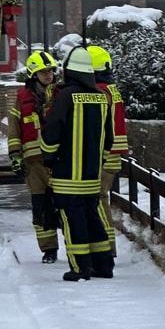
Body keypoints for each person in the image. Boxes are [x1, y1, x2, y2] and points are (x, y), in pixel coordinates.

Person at [39, 44, 114, 281]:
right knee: (93, 217)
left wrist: (48, 157)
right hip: (92, 175)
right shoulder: (102, 98)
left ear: (69, 71)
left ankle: (80, 268)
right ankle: (104, 266)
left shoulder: (65, 97)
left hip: (67, 175)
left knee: (73, 220)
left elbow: (51, 133)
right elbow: (108, 138)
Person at [7, 49, 61, 262]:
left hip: (58, 160)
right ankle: (49, 249)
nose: (48, 75)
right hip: (34, 162)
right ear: (33, 75)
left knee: (64, 204)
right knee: (41, 206)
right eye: (43, 72)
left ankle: (73, 245)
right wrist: (15, 155)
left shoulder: (61, 93)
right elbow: (14, 128)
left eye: (50, 71)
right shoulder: (22, 98)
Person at [88, 44, 129, 262]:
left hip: (104, 155)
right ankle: (105, 247)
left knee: (99, 200)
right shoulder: (111, 90)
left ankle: (106, 248)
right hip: (112, 155)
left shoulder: (99, 92)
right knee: (102, 199)